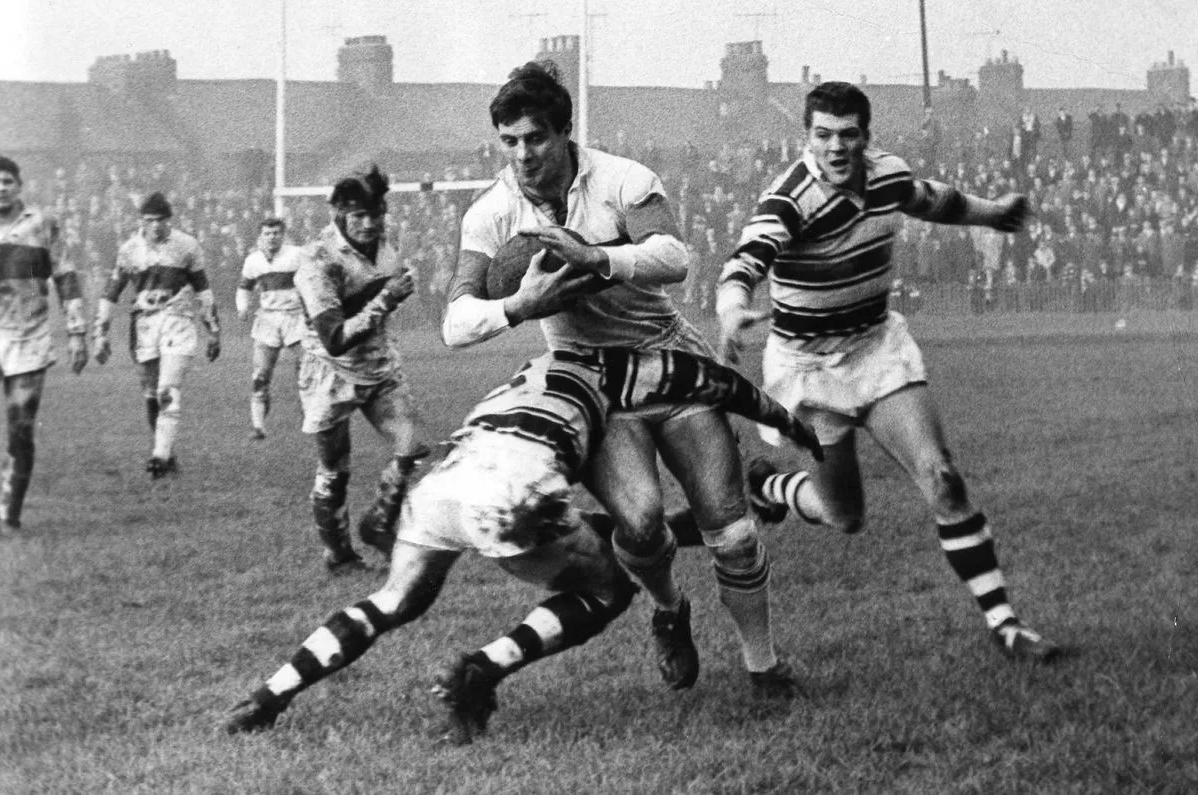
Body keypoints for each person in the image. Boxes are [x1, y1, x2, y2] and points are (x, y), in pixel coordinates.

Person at [225, 344, 822, 743]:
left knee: (393, 601)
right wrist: (788, 422)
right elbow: (716, 382)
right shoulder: (619, 367)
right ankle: (479, 672)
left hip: (446, 481)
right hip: (514, 488)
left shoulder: (529, 367)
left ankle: (268, 697)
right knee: (608, 592)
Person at [441, 61, 802, 696]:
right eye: (510, 140)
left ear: (565, 132)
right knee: (640, 525)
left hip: (667, 361)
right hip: (591, 383)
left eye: (536, 137)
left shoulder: (622, 178)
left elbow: (674, 257)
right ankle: (668, 609)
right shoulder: (491, 213)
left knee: (731, 529)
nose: (523, 154)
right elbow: (455, 321)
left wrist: (596, 256)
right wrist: (518, 307)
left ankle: (763, 666)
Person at [717, 82, 1060, 663]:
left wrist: (995, 213)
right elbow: (748, 256)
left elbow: (936, 201)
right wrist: (731, 307)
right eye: (823, 135)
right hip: (810, 371)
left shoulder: (887, 175)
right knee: (845, 515)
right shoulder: (789, 198)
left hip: (875, 349)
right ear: (807, 137)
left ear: (866, 138)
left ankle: (1005, 624)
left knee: (942, 477)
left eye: (848, 134)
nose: (836, 147)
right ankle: (770, 488)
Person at [293, 165, 428, 572]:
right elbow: (334, 337)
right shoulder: (318, 259)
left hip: (378, 363)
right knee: (336, 467)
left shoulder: (388, 243)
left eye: (376, 214)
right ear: (339, 214)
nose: (369, 224)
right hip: (328, 369)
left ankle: (380, 523)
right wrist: (386, 299)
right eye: (359, 216)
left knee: (412, 444)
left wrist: (395, 294)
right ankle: (338, 555)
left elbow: (384, 291)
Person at [93, 192, 221, 478]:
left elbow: (203, 290)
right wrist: (100, 333)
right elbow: (111, 292)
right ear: (140, 220)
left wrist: (214, 330)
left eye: (161, 220)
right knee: (151, 395)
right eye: (149, 220)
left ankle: (159, 457)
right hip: (144, 325)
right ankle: (166, 453)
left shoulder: (187, 246)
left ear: (169, 220)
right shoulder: (129, 250)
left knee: (167, 389)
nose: (155, 226)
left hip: (178, 319)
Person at [0, 156, 88, 531]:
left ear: (19, 185)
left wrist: (77, 332)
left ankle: (9, 512)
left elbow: (65, 275)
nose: (1, 188)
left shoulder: (41, 224)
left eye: (7, 181)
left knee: (20, 429)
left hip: (28, 337)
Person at [236, 217, 303, 440]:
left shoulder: (297, 255)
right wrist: (243, 307)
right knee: (261, 374)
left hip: (295, 317)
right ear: (260, 236)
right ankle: (258, 427)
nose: (272, 237)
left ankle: (311, 414)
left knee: (307, 368)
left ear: (282, 235)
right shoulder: (253, 260)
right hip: (268, 319)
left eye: (276, 233)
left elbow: (312, 280)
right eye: (267, 233)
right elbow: (244, 288)